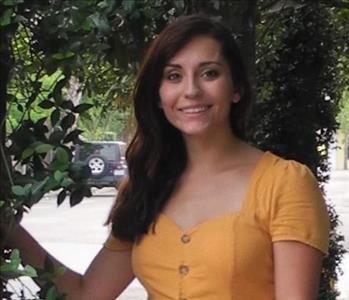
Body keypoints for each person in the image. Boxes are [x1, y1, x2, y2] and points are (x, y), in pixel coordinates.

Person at [4, 14, 329, 300]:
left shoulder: (284, 184)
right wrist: (9, 228)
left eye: (209, 73)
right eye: (173, 76)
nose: (191, 91)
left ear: (237, 88)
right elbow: (86, 293)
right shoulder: (145, 186)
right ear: (158, 96)